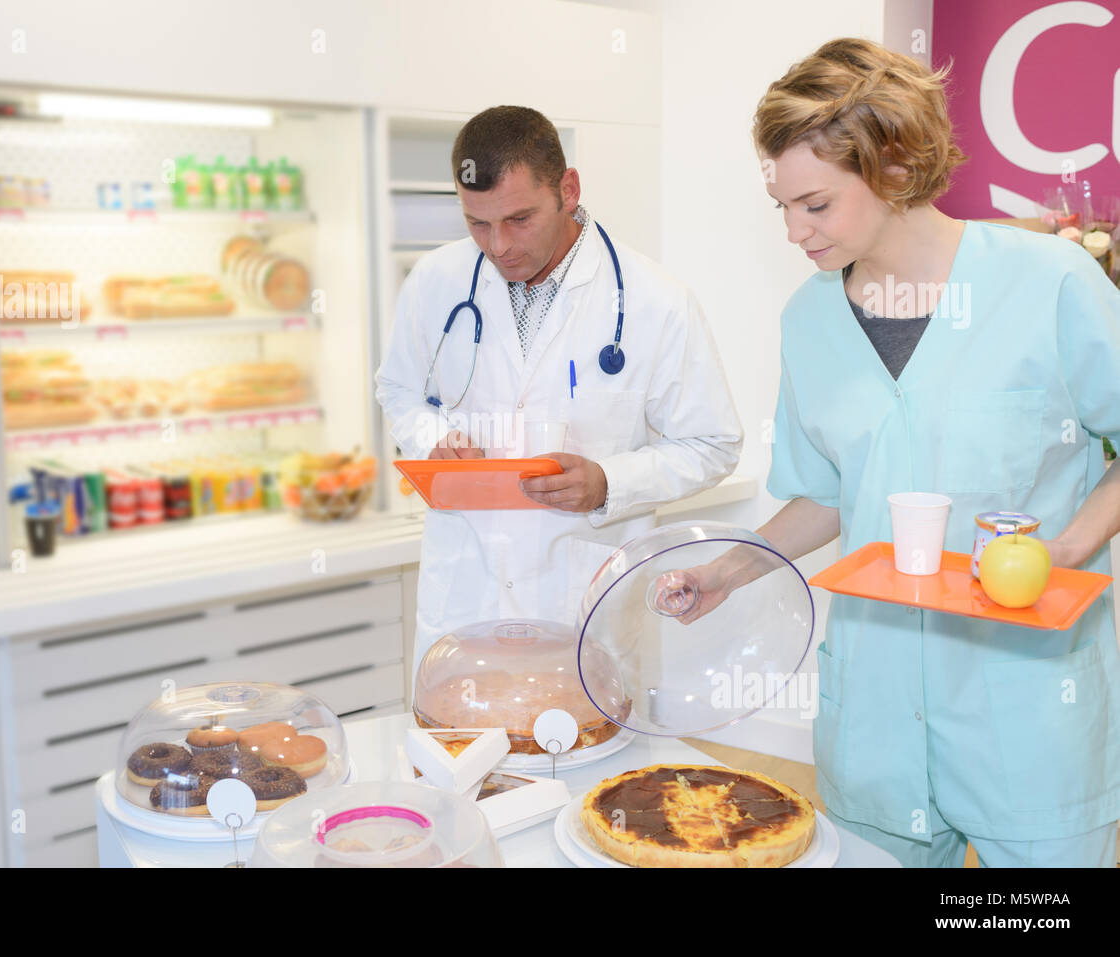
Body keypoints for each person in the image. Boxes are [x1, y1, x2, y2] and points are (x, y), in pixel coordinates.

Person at [682, 38, 1120, 867]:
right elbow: (825, 493)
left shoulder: (1049, 282)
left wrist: (1070, 548)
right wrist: (726, 571)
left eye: (814, 204)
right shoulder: (809, 322)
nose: (792, 231)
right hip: (875, 727)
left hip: (1028, 715)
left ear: (891, 166)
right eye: (780, 206)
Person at [375, 105, 743, 670]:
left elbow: (711, 444)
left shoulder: (655, 301)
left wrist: (607, 483)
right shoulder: (437, 281)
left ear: (568, 190)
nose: (497, 246)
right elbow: (400, 391)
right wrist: (434, 439)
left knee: (586, 750)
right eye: (477, 223)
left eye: (519, 219)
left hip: (582, 605)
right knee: (456, 751)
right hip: (465, 596)